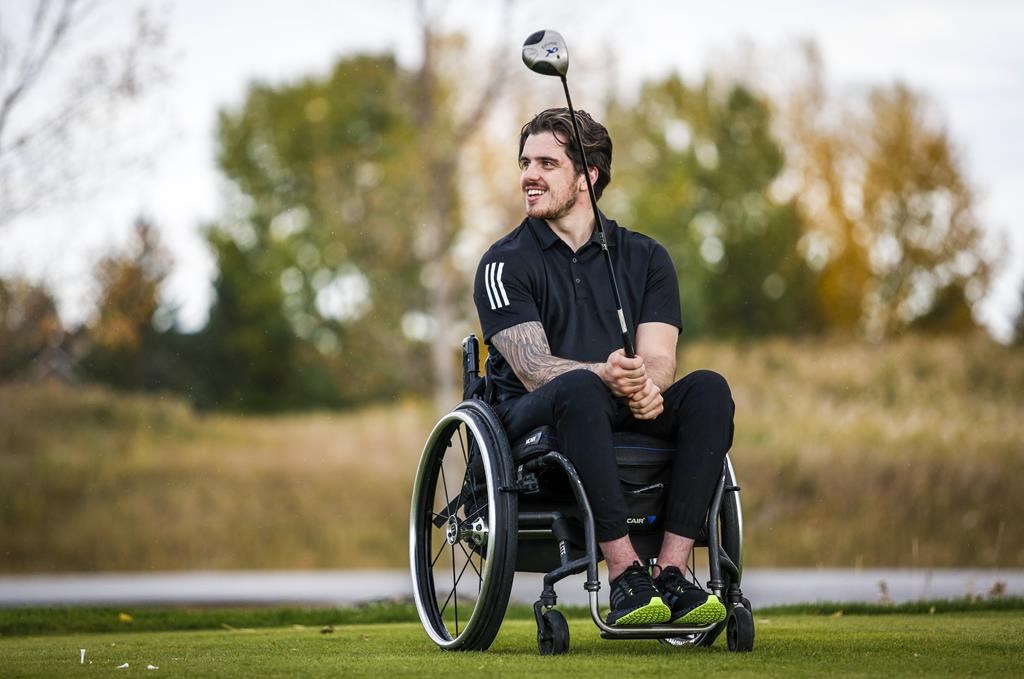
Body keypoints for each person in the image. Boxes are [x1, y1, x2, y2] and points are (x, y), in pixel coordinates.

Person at [473, 108, 734, 626]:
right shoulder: (503, 262)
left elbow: (660, 357)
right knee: (579, 388)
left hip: (621, 407)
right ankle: (624, 576)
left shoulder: (646, 257)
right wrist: (606, 374)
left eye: (547, 163)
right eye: (526, 162)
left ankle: (673, 573)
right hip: (534, 418)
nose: (529, 175)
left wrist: (646, 384)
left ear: (588, 175)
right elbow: (532, 367)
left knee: (708, 390)